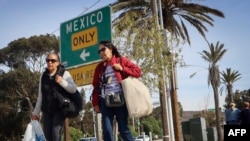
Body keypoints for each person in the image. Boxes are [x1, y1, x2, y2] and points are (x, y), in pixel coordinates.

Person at [91, 40, 141, 141]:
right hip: (105, 102)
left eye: (103, 49)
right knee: (107, 130)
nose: (101, 52)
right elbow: (96, 86)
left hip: (120, 100)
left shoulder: (121, 60)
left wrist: (122, 68)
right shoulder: (99, 67)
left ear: (111, 49)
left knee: (123, 130)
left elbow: (138, 72)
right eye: (99, 51)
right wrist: (95, 103)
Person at [31, 52, 77, 141]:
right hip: (47, 111)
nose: (50, 63)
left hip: (59, 109)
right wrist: (36, 113)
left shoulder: (64, 73)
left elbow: (73, 89)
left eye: (53, 60)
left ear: (58, 63)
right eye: (48, 60)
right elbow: (40, 96)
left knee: (56, 135)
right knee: (47, 137)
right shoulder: (43, 76)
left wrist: (62, 82)